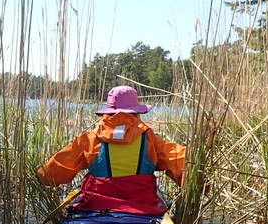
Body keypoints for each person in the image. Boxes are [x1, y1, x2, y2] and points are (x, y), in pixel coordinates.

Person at [37, 85, 186, 215]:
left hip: (96, 206)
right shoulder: (151, 139)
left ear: (107, 112)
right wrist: (201, 185)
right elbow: (180, 162)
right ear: (137, 113)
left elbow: (53, 173)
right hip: (143, 207)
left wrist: (41, 177)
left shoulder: (90, 138)